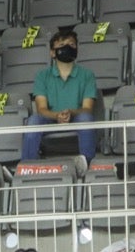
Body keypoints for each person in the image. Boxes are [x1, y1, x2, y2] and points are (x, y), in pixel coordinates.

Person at [20, 29, 99, 164]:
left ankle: (87, 164)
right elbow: (42, 109)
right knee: (33, 120)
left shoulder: (87, 75)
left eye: (72, 45)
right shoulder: (42, 76)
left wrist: (70, 112)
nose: (68, 48)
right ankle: (29, 166)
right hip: (50, 119)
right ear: (52, 52)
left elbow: (87, 109)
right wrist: (57, 116)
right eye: (62, 45)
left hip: (76, 118)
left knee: (86, 118)